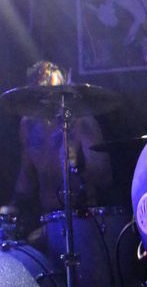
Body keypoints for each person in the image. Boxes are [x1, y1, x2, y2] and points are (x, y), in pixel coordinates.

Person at [12, 60, 112, 235]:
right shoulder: (28, 125)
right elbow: (26, 181)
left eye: (55, 92)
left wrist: (77, 166)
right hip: (47, 219)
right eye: (43, 93)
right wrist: (11, 208)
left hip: (82, 218)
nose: (50, 99)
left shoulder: (82, 122)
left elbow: (104, 178)